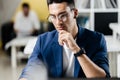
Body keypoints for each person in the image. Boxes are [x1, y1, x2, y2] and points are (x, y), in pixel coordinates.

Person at [19, 0, 110, 80]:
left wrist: (76, 50)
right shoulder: (43, 41)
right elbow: (29, 70)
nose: (58, 22)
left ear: (75, 13)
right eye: (53, 17)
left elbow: (103, 78)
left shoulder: (97, 40)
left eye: (63, 15)